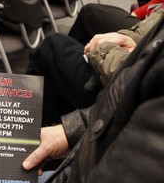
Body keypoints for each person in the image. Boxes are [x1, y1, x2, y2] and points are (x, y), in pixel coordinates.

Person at [23, 10, 164, 183]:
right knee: (85, 18)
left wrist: (103, 49)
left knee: (53, 47)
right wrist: (72, 131)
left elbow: (132, 85)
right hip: (107, 112)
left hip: (113, 91)